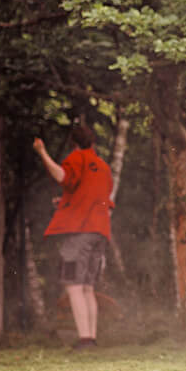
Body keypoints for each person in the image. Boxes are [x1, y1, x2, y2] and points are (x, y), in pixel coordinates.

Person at [33, 121, 114, 349]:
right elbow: (99, 198)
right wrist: (68, 202)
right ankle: (92, 337)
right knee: (88, 287)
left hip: (79, 233)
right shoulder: (103, 167)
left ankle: (85, 339)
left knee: (74, 286)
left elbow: (62, 177)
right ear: (94, 142)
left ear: (74, 143)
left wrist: (42, 152)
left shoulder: (76, 159)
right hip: (99, 232)